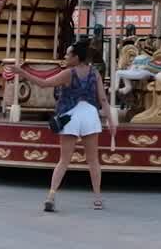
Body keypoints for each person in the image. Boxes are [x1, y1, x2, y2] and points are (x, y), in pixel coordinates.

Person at [14, 39, 116, 211]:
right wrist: (110, 121)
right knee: (93, 160)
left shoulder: (68, 73)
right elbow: (103, 99)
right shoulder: (95, 73)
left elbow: (43, 83)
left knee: (64, 160)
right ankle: (97, 198)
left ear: (76, 57)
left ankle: (51, 195)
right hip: (90, 115)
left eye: (68, 54)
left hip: (70, 116)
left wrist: (22, 73)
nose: (66, 56)